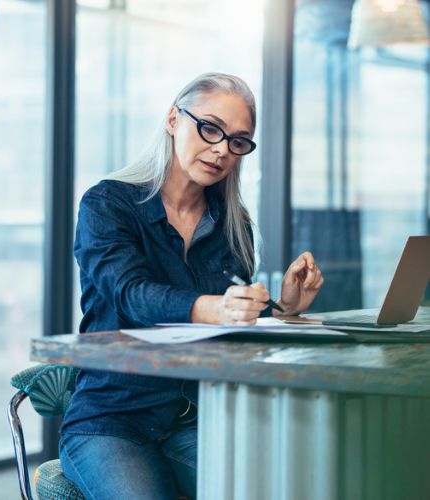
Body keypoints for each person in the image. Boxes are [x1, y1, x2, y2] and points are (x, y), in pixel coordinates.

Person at [59, 72, 324, 500]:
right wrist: (215, 307)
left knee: (276, 488)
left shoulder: (231, 225)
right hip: (111, 422)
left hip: (197, 420)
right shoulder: (107, 204)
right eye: (210, 128)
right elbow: (131, 295)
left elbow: (229, 323)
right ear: (172, 120)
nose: (221, 149)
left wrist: (282, 308)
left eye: (237, 141)